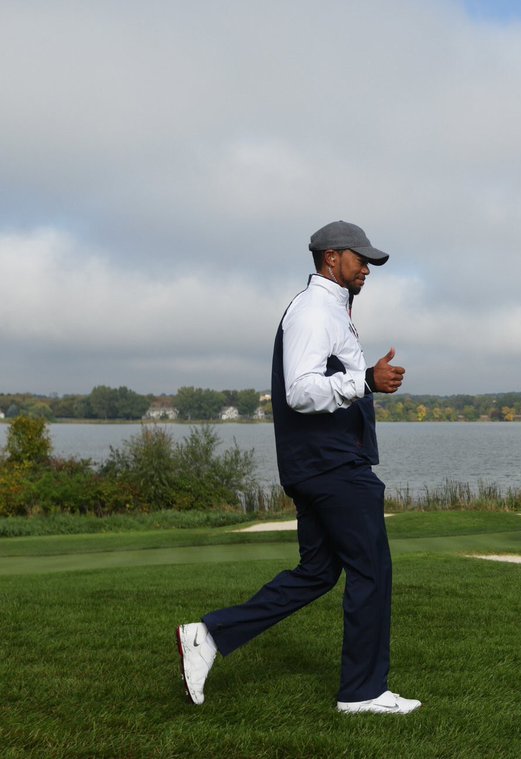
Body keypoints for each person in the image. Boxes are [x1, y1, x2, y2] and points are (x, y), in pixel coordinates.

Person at [175, 221, 421, 715]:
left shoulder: (332, 310)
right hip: (332, 467)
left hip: (318, 465)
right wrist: (366, 382)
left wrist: (363, 377)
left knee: (317, 573)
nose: (367, 269)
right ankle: (363, 693)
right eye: (360, 259)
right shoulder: (313, 310)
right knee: (372, 572)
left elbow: (323, 380)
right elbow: (300, 391)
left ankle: (209, 635)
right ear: (332, 258)